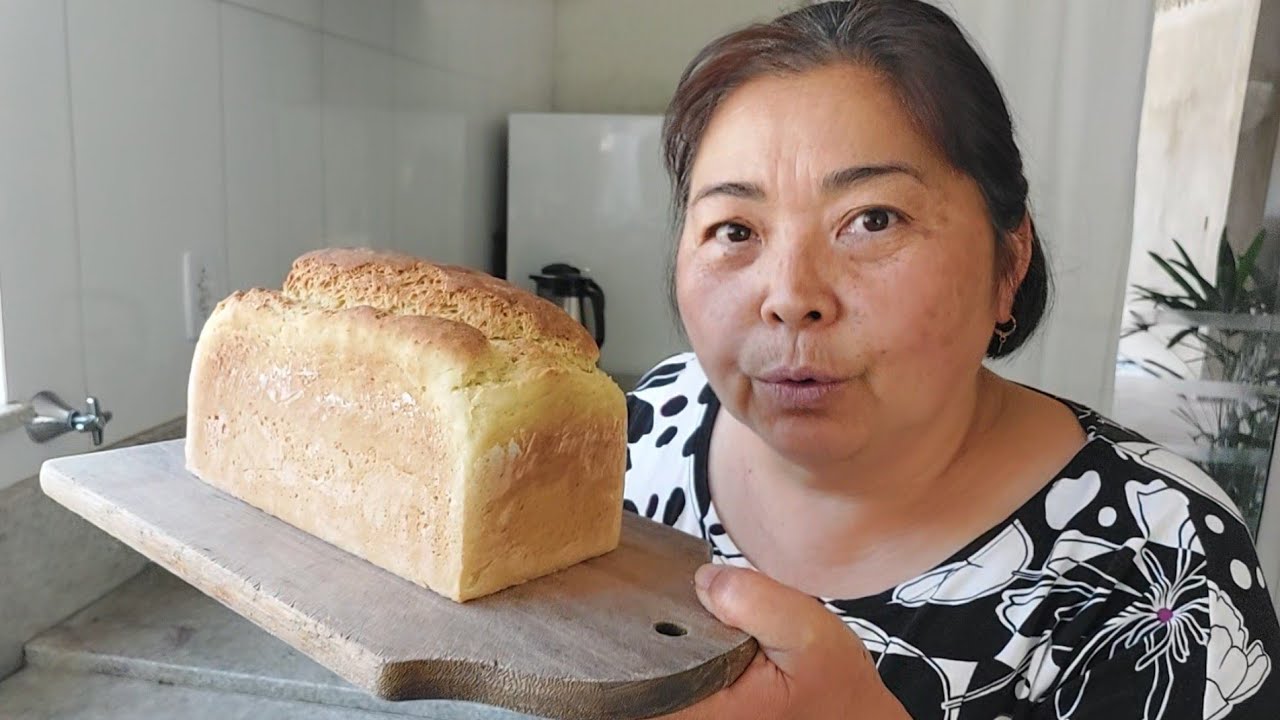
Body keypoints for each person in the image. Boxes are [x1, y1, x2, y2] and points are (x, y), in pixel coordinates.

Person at [622, 1, 1280, 718]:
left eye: (874, 220)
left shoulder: (1164, 561)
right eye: (735, 228)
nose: (789, 297)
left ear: (1009, 261)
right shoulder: (652, 424)